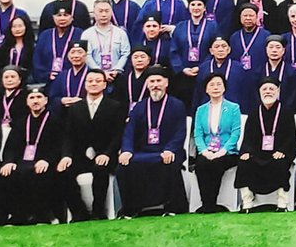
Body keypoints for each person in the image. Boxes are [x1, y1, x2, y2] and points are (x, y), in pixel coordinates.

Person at [116, 66, 189, 217]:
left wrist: (170, 149)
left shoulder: (177, 105)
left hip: (168, 150)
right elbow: (129, 132)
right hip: (143, 151)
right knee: (123, 166)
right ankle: (131, 209)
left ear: (166, 83)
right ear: (147, 84)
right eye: (152, 81)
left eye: (159, 81)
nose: (155, 84)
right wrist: (127, 150)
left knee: (170, 162)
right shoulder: (139, 107)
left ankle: (173, 207)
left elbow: (180, 132)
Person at [60, 67, 127, 221]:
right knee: (63, 171)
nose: (93, 84)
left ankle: (98, 211)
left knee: (100, 169)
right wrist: (66, 156)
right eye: (90, 81)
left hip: (105, 155)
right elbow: (68, 136)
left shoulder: (115, 106)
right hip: (80, 156)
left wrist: (107, 154)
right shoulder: (75, 108)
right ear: (85, 84)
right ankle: (79, 213)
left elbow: (117, 136)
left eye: (98, 81)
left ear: (105, 85)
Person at [0, 87, 65, 226]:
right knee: (6, 174)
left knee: (40, 174)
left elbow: (59, 146)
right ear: (27, 102)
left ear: (46, 100)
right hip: (22, 163)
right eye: (32, 98)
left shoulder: (55, 121)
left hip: (45, 163)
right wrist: (8, 161)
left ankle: (42, 216)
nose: (35, 101)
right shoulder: (20, 123)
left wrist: (47, 160)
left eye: (39, 97)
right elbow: (10, 147)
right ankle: (16, 216)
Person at [237, 80, 296, 212]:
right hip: (257, 153)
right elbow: (247, 137)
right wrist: (246, 151)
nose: (268, 91)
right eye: (264, 89)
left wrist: (283, 151)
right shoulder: (254, 113)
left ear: (278, 91)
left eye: (271, 88)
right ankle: (247, 202)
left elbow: (290, 137)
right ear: (260, 92)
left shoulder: (286, 112)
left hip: (278, 152)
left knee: (280, 162)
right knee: (244, 163)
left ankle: (282, 203)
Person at [191, 74, 242, 213]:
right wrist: (204, 151)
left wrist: (222, 151)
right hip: (207, 150)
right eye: (211, 85)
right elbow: (198, 134)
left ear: (224, 88)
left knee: (216, 164)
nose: (215, 88)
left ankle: (212, 203)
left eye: (219, 84)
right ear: (206, 89)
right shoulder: (201, 110)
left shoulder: (233, 108)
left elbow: (235, 133)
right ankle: (206, 203)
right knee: (201, 165)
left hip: (227, 151)